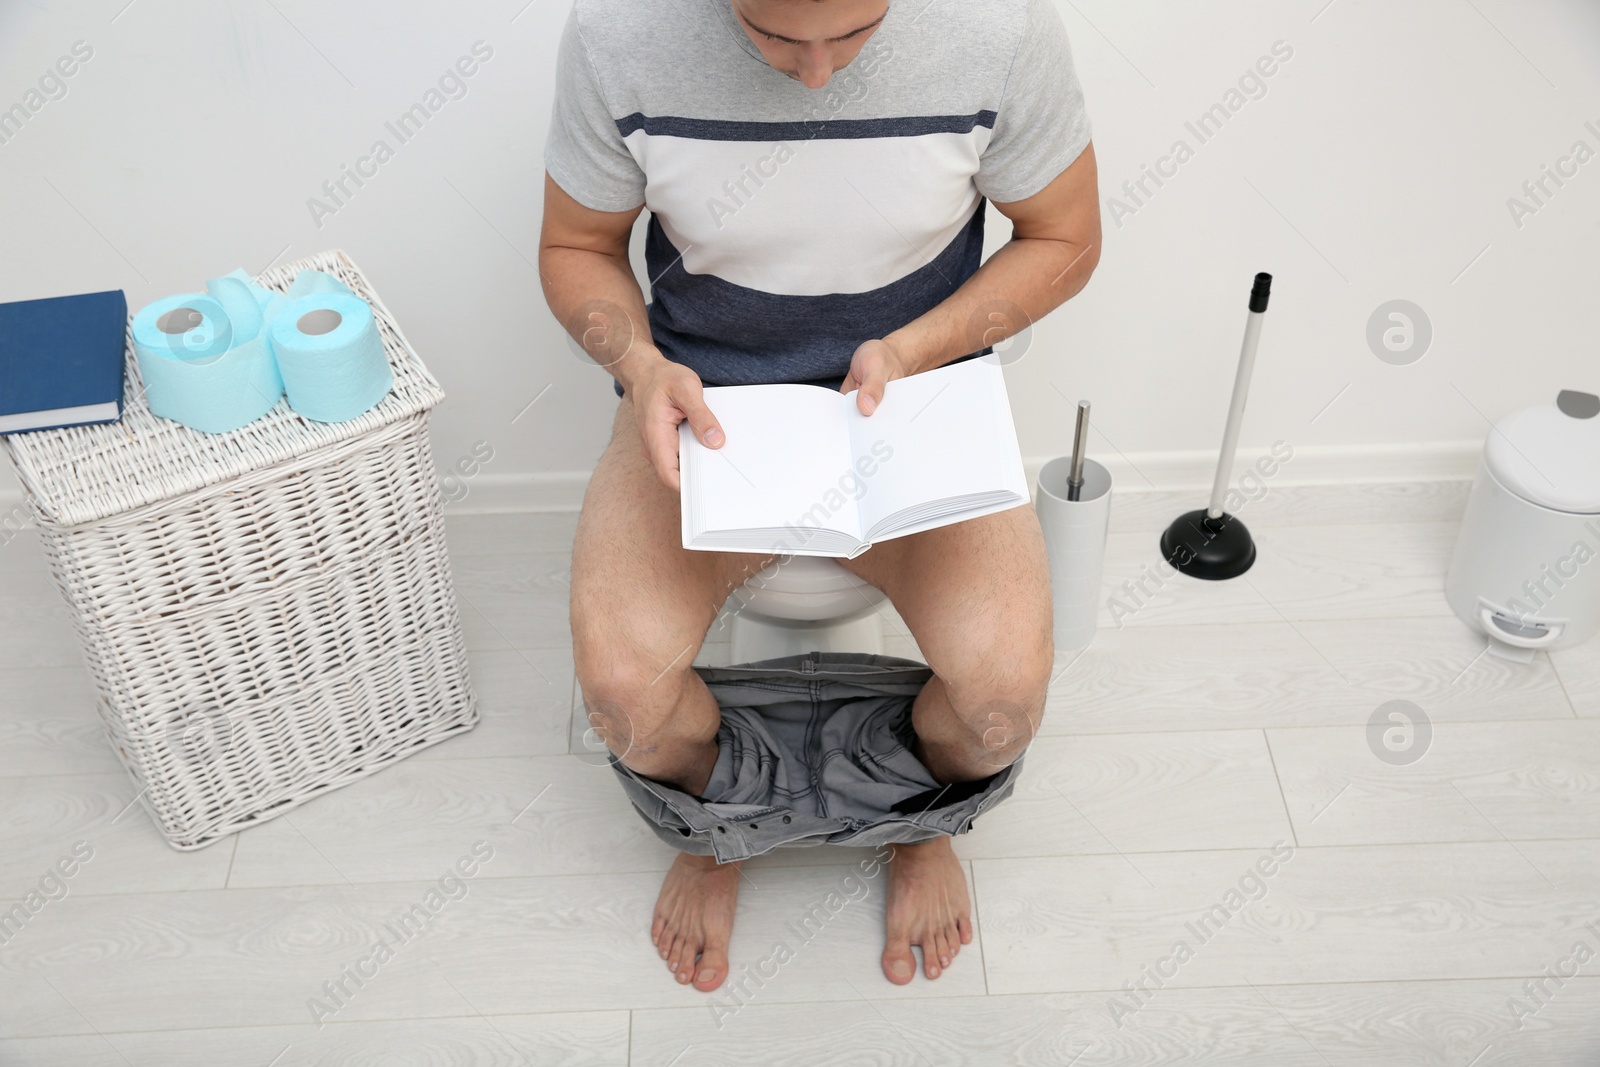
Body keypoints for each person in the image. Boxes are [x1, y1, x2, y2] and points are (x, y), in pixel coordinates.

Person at [539, 0, 1100, 993]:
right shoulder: (618, 35)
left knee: (1001, 704)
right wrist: (637, 361)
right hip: (706, 409)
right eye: (772, 40)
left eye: (849, 37)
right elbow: (576, 246)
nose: (814, 77)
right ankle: (715, 833)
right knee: (624, 700)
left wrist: (912, 351)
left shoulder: (1001, 30)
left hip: (911, 400)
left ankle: (919, 823)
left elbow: (1064, 236)